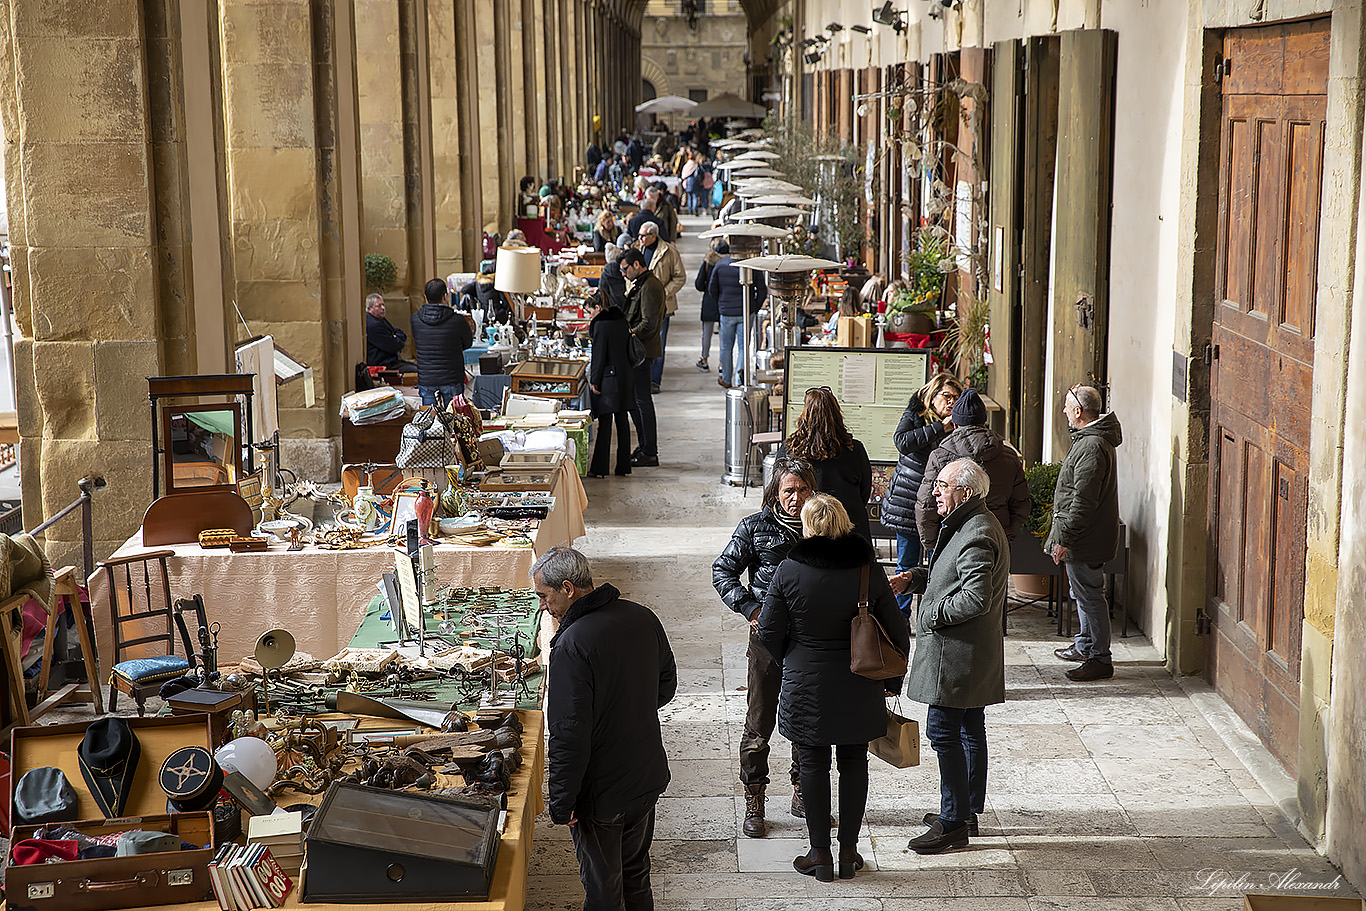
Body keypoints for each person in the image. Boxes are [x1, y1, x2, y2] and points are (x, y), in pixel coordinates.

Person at [757, 494, 908, 881]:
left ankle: (819, 853)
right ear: (844, 523)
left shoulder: (789, 570)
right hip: (859, 682)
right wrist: (890, 680)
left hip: (806, 684)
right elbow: (897, 629)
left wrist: (792, 659)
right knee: (854, 762)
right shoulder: (865, 569)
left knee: (812, 764)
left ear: (808, 526)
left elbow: (769, 632)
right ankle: (848, 853)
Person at [537, 547, 676, 911]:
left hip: (602, 793)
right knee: (635, 873)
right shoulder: (642, 616)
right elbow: (666, 686)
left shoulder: (571, 645)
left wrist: (562, 801)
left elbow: (569, 733)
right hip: (645, 776)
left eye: (544, 596)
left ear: (567, 588)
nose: (542, 607)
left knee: (603, 891)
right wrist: (627, 711)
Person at [892, 458, 1007, 855]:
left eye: (942, 485)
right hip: (967, 654)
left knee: (944, 732)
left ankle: (954, 821)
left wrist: (929, 613)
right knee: (970, 729)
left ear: (966, 492)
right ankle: (966, 809)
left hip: (957, 656)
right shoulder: (971, 523)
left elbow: (974, 597)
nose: (935, 492)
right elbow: (955, 575)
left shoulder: (976, 532)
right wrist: (916, 578)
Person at [712, 458, 819, 838]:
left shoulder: (822, 527)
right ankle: (755, 798)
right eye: (788, 490)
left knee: (806, 716)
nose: (796, 498)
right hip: (767, 640)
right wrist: (750, 607)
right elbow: (722, 569)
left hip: (811, 641)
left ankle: (802, 789)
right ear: (775, 492)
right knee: (760, 721)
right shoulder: (754, 527)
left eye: (803, 489)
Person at [1048, 384, 1124, 682]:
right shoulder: (1089, 440)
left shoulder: (1091, 445)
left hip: (1086, 538)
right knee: (1081, 593)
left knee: (1090, 596)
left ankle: (1099, 658)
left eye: (1067, 406)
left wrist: (1064, 538)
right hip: (1088, 536)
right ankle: (1086, 645)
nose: (1064, 411)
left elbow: (1083, 499)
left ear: (1078, 412)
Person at [880, 373, 961, 613]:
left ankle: (936, 610)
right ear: (932, 395)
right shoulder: (915, 415)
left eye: (956, 398)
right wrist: (939, 427)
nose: (951, 402)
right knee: (906, 562)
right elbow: (902, 441)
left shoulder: (958, 422)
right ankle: (900, 616)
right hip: (908, 502)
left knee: (941, 563)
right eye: (947, 396)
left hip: (939, 506)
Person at [915, 388, 1030, 553]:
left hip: (952, 538)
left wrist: (932, 544)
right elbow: (1021, 502)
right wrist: (1007, 535)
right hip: (995, 537)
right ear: (984, 422)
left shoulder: (940, 456)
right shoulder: (1008, 456)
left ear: (954, 424)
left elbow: (926, 504)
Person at [780, 387, 874, 542]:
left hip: (807, 528)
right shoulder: (854, 449)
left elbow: (778, 488)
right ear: (837, 414)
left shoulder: (790, 449)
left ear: (805, 414)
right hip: (850, 529)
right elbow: (864, 491)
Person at [620, 249, 664, 467]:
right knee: (636, 401)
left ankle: (650, 451)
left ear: (636, 264)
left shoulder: (650, 286)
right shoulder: (642, 283)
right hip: (639, 351)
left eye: (625, 268)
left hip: (641, 353)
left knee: (642, 401)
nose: (623, 273)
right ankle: (645, 445)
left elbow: (649, 323)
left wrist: (628, 335)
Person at [585, 293, 634, 478]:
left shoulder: (600, 325)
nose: (589, 316)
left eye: (590, 312)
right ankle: (623, 466)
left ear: (598, 307)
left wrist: (594, 381)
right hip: (625, 376)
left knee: (605, 422)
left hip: (608, 379)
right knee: (622, 421)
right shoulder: (622, 320)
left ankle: (599, 468)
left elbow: (598, 357)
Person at [708, 247, 767, 388]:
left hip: (726, 312)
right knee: (743, 348)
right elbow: (762, 290)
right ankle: (741, 381)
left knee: (726, 347)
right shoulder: (752, 266)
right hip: (746, 312)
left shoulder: (721, 265)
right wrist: (754, 307)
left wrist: (721, 303)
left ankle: (727, 379)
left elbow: (712, 289)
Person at [410, 278, 473, 409]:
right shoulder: (458, 320)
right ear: (445, 296)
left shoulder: (415, 320)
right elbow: (467, 344)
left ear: (425, 297)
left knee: (430, 421)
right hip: (452, 377)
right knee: (455, 420)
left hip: (427, 378)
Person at [637, 222, 684, 393]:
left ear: (653, 235)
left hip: (662, 306)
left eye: (643, 236)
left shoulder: (669, 252)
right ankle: (642, 378)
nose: (639, 239)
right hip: (640, 305)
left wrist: (661, 293)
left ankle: (654, 380)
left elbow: (680, 277)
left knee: (658, 344)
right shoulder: (637, 249)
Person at [364, 293, 416, 372]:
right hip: (384, 364)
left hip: (391, 361)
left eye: (383, 305)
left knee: (419, 367)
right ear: (369, 308)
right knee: (417, 370)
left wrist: (395, 336)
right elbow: (395, 345)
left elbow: (398, 332)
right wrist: (395, 337)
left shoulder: (380, 319)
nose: (383, 308)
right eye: (379, 306)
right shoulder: (373, 325)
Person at [694, 240, 724, 371]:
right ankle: (722, 363)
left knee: (707, 333)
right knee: (725, 336)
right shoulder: (732, 263)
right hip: (725, 302)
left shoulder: (708, 263)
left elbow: (699, 284)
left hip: (709, 301)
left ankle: (704, 359)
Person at [458, 260, 512, 325]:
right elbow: (506, 303)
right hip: (498, 316)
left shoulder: (478, 283)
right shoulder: (496, 284)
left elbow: (464, 290)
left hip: (483, 315)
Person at [599, 243, 629, 310]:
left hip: (611, 310)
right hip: (627, 307)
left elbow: (602, 293)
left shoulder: (605, 274)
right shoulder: (625, 271)